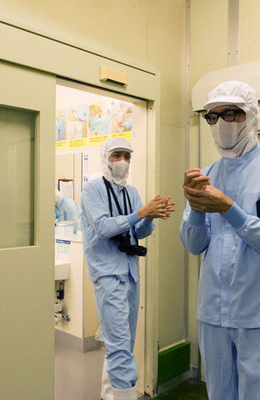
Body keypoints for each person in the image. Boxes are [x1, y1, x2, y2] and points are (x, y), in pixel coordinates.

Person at [180, 81, 260, 400]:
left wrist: (228, 208)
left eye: (231, 114)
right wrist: (196, 209)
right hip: (214, 313)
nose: (221, 123)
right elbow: (194, 245)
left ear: (251, 116)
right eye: (213, 116)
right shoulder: (206, 174)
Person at [81, 137, 174, 400]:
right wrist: (141, 213)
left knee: (124, 343)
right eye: (116, 155)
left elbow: (139, 232)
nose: (123, 161)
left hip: (131, 273)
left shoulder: (131, 192)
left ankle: (109, 394)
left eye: (127, 156)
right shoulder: (92, 190)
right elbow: (103, 227)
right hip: (108, 273)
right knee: (120, 346)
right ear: (105, 158)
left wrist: (150, 217)